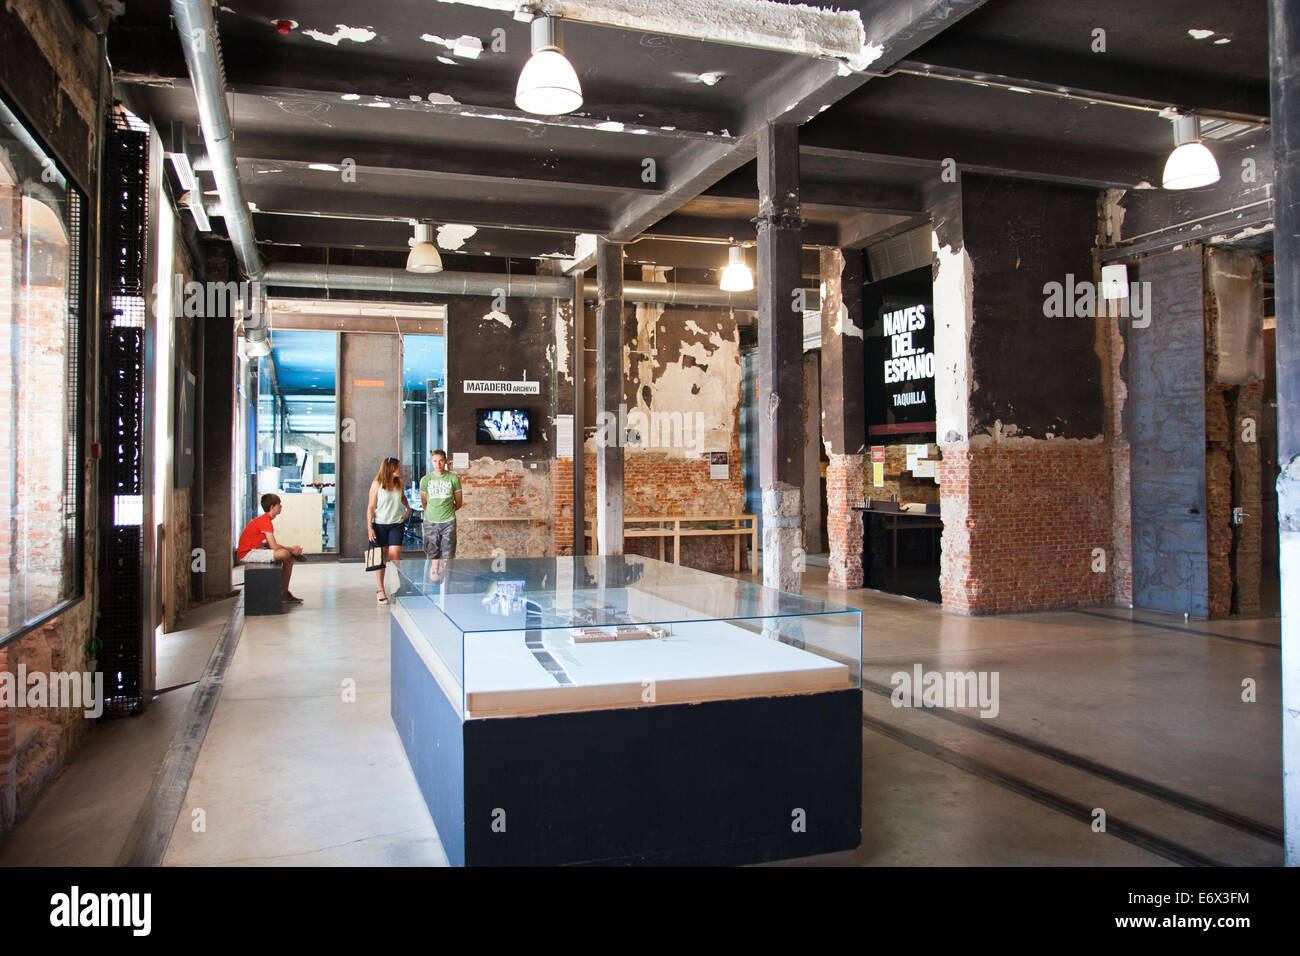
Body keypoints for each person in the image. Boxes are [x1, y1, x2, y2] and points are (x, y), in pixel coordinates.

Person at [236, 493, 305, 604]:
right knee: (284, 554)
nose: (281, 506)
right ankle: (283, 592)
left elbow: (268, 544)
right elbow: (274, 546)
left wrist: (289, 550)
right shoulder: (265, 521)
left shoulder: (264, 520)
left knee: (288, 558)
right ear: (272, 507)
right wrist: (291, 549)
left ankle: (284, 593)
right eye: (279, 504)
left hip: (254, 550)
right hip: (247, 553)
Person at [367, 456, 411, 604]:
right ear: (391, 468)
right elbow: (371, 507)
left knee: (394, 555)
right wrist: (369, 528)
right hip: (379, 524)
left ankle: (400, 586)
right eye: (398, 466)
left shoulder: (400, 482)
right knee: (380, 558)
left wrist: (408, 508)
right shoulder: (377, 484)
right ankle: (380, 589)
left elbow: (402, 497)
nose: (400, 469)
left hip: (396, 523)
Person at [419, 449, 462, 580]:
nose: (438, 464)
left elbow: (459, 502)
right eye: (435, 461)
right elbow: (424, 503)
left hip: (448, 521)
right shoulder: (426, 480)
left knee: (448, 554)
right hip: (430, 521)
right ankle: (433, 572)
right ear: (432, 462)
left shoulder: (453, 478)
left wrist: (446, 510)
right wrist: (433, 512)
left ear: (445, 462)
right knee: (432, 553)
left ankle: (447, 577)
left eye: (441, 461)